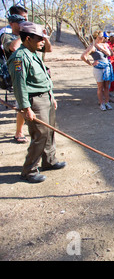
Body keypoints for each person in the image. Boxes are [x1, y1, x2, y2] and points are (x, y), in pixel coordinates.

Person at [8, 22, 66, 183]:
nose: (42, 41)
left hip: (45, 97)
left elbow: (44, 78)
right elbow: (19, 85)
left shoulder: (34, 52)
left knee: (50, 131)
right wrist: (26, 108)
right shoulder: (19, 57)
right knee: (40, 135)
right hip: (34, 101)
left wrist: (51, 96)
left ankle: (49, 161)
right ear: (28, 38)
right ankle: (29, 171)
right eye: (39, 38)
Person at [80, 30, 114, 111]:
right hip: (98, 68)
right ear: (98, 37)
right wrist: (91, 63)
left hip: (107, 67)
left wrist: (101, 48)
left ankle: (107, 102)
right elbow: (83, 56)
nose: (104, 38)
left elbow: (110, 54)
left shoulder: (104, 45)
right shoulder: (92, 47)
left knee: (106, 86)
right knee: (100, 86)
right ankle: (101, 103)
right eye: (102, 36)